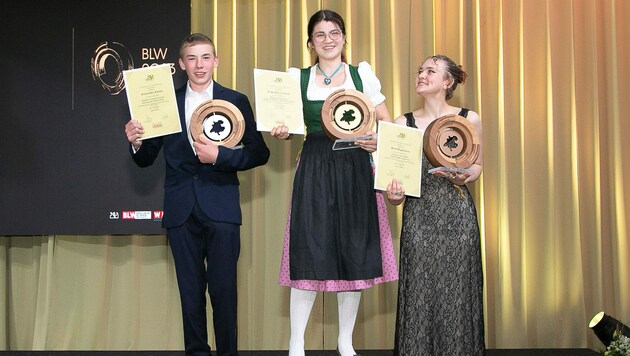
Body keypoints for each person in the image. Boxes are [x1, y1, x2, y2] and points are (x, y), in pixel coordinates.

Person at [124, 33, 270, 356]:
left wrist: (222, 157)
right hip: (180, 211)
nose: (199, 65)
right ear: (181, 64)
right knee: (190, 296)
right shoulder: (165, 102)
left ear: (216, 61)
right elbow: (147, 156)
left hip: (222, 210)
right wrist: (136, 141)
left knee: (224, 294)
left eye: (206, 57)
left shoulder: (236, 100)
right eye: (192, 58)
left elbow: (260, 153)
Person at [270, 9, 398, 356]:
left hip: (355, 166)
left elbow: (386, 122)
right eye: (320, 34)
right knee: (308, 249)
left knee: (352, 252)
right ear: (310, 42)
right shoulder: (296, 78)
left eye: (335, 32)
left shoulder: (362, 75)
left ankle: (345, 342)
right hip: (315, 165)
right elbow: (286, 126)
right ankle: (296, 343)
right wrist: (281, 132)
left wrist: (376, 139)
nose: (328, 40)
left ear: (344, 37)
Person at [386, 54, 485, 355]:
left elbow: (478, 166)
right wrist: (393, 195)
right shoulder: (404, 123)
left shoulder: (469, 119)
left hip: (458, 216)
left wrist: (462, 176)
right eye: (420, 70)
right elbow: (395, 183)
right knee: (419, 295)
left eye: (431, 71)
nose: (422, 74)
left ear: (447, 81)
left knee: (457, 295)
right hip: (419, 216)